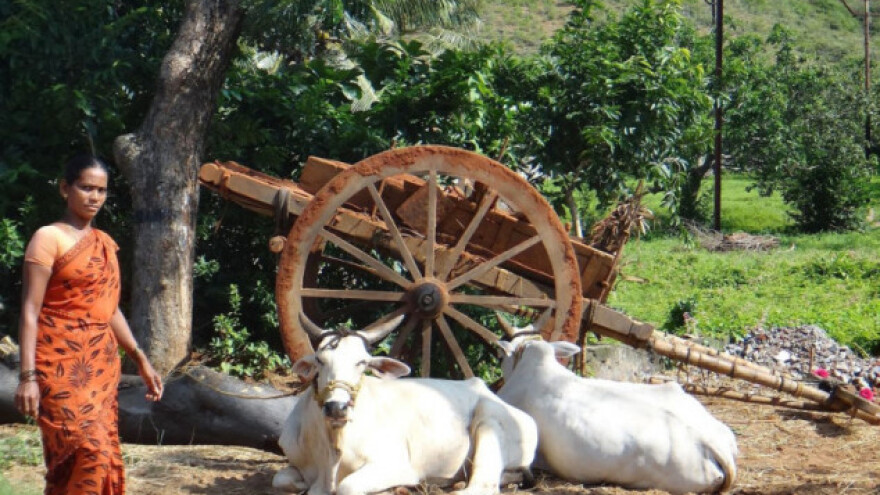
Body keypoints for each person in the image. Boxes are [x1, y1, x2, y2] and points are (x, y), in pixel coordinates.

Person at [14, 153, 164, 494]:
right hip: (57, 364)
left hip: (99, 366)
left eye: (101, 190)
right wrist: (27, 377)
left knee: (97, 454)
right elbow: (29, 310)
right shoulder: (47, 238)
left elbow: (108, 310)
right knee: (85, 449)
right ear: (65, 188)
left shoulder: (105, 245)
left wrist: (140, 357)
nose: (94, 197)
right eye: (86, 188)